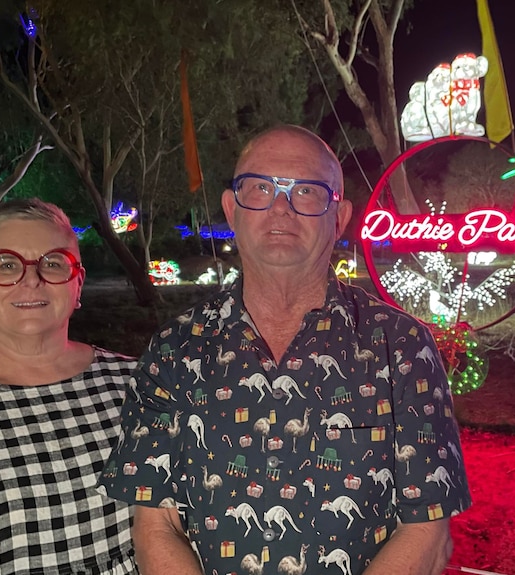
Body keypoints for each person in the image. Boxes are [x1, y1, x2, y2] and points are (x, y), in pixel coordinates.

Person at [99, 125, 471, 575]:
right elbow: (156, 525)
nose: (281, 208)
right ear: (231, 210)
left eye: (307, 191)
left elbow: (427, 532)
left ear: (339, 217)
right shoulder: (173, 351)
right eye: (259, 188)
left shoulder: (403, 347)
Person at [0, 199, 137, 574]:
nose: (31, 279)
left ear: (77, 282)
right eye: (6, 264)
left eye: (52, 263)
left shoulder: (143, 387)